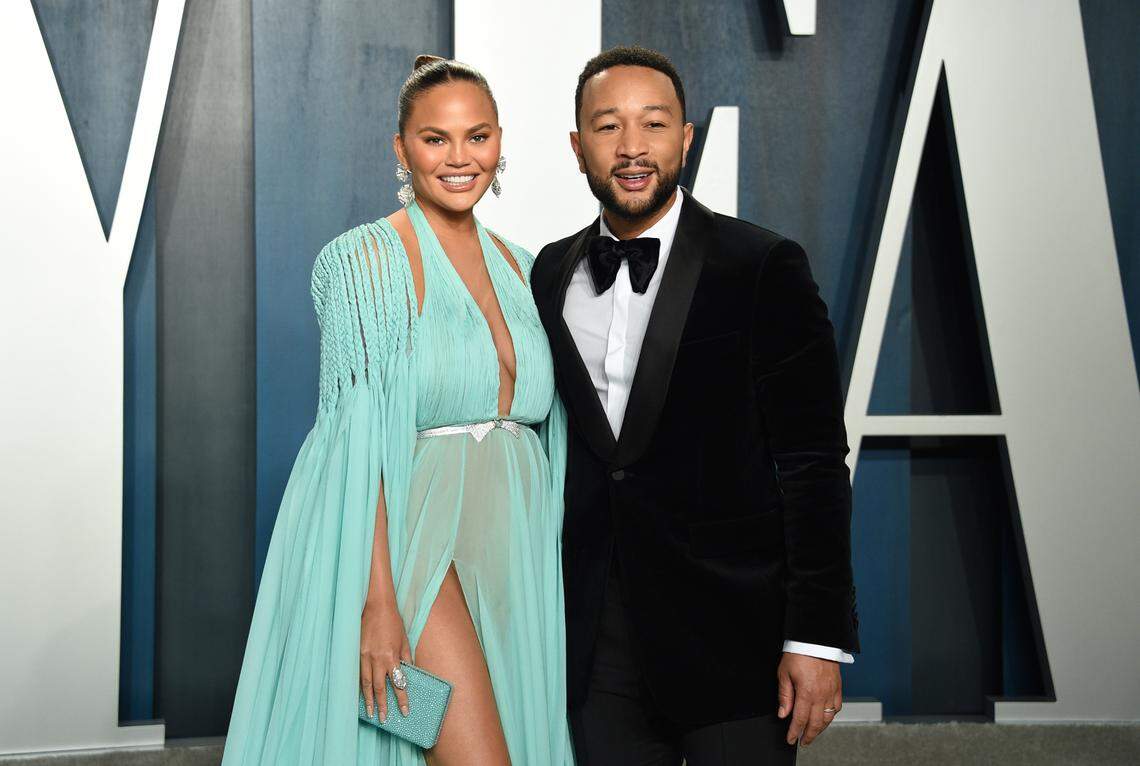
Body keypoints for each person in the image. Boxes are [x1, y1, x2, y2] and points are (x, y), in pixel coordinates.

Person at [222, 55, 574, 765]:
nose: (459, 158)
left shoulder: (529, 267)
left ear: (500, 142)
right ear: (400, 148)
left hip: (516, 550)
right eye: (435, 138)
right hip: (415, 550)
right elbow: (353, 441)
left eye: (476, 137)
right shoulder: (367, 261)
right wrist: (375, 602)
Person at [530, 46, 860, 765]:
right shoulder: (549, 271)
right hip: (597, 648)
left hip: (735, 641)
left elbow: (813, 465)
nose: (631, 148)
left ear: (685, 138)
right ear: (577, 146)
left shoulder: (763, 265)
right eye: (608, 126)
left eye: (653, 125)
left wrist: (814, 637)